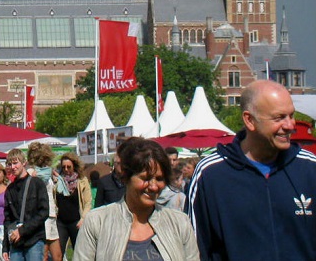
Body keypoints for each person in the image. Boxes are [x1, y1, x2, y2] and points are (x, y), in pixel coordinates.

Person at [186, 79, 316, 261]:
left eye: (291, 115)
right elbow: (195, 250)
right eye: (279, 118)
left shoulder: (310, 169)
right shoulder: (211, 175)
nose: (290, 125)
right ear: (249, 120)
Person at [73, 137, 198, 261]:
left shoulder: (180, 223)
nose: (153, 186)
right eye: (145, 178)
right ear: (126, 177)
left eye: (159, 179)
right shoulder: (97, 222)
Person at [2, 148, 48, 261]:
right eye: (10, 164)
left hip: (34, 239)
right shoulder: (9, 190)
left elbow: (44, 212)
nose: (13, 167)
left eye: (15, 163)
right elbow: (7, 219)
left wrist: (22, 230)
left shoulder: (37, 183)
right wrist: (5, 247)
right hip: (16, 242)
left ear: (24, 163)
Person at [26, 143, 60, 261]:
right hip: (41, 215)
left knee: (58, 255)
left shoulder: (48, 172)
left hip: (52, 214)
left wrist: (56, 178)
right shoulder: (31, 172)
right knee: (43, 254)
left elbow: (55, 188)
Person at [52, 152, 90, 255]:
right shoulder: (57, 181)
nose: (66, 170)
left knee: (79, 253)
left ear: (74, 166)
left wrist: (83, 218)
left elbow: (88, 203)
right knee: (58, 253)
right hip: (61, 222)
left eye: (69, 167)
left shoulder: (82, 181)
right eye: (63, 167)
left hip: (76, 222)